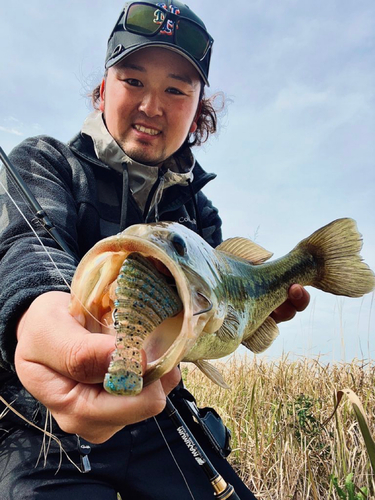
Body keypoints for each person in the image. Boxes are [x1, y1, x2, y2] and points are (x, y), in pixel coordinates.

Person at [0, 1, 310, 498]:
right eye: (133, 81)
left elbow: (217, 320)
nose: (151, 105)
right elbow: (25, 250)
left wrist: (253, 315)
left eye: (175, 89)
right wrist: (43, 316)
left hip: (163, 417)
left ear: (197, 109)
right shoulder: (44, 162)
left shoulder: (200, 212)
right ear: (103, 90)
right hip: (39, 426)